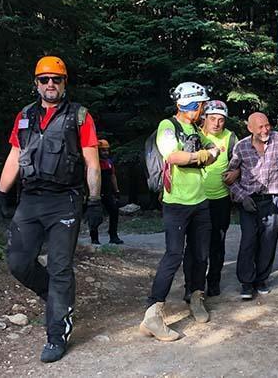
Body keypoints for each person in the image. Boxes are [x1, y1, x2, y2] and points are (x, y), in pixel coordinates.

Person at [0, 56, 103, 363]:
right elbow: (15, 155)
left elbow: (92, 162)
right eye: (44, 79)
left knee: (59, 266)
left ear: (65, 83)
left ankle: (57, 333)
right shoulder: (25, 116)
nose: (50, 84)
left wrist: (95, 200)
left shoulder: (79, 116)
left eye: (56, 79)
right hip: (30, 199)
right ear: (36, 83)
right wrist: (0, 193)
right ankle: (53, 296)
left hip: (65, 199)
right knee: (18, 262)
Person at [139, 82, 218, 342]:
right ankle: (153, 314)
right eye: (201, 105)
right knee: (173, 255)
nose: (203, 109)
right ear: (191, 104)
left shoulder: (195, 129)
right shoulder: (168, 126)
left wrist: (203, 154)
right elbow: (173, 157)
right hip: (176, 203)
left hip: (200, 201)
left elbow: (215, 151)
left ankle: (196, 297)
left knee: (201, 254)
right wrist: (202, 156)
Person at [226, 112, 278, 299]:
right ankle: (246, 282)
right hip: (249, 200)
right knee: (249, 240)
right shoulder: (241, 147)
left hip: (273, 198)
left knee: (268, 241)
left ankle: (261, 279)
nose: (265, 130)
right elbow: (228, 178)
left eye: (267, 125)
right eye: (260, 127)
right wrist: (242, 197)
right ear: (250, 128)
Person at [183, 100, 235, 299]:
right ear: (204, 118)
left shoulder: (231, 137)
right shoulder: (194, 133)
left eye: (221, 120)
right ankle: (191, 286)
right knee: (194, 245)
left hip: (220, 199)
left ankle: (213, 282)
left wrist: (236, 173)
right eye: (212, 118)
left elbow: (239, 162)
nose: (216, 123)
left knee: (217, 244)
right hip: (195, 199)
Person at [95, 138, 123, 245]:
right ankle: (94, 238)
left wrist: (116, 190)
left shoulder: (109, 163)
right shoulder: (94, 163)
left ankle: (113, 236)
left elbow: (113, 176)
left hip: (108, 192)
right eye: (103, 150)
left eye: (107, 150)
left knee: (114, 211)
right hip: (96, 193)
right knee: (95, 215)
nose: (106, 152)